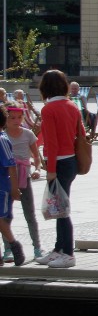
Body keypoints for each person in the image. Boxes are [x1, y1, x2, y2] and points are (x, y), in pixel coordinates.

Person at [33, 70, 85, 269]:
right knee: (59, 206)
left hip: (59, 162)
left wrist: (51, 169)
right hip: (70, 160)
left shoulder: (48, 109)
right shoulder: (72, 106)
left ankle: (68, 253)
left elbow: (51, 143)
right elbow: (80, 132)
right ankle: (58, 249)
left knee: (61, 209)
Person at [3, 106, 41, 260]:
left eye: (19, 117)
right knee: (5, 215)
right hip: (7, 178)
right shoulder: (3, 136)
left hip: (24, 176)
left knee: (30, 213)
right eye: (12, 118)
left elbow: (36, 156)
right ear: (5, 119)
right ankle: (8, 249)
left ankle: (37, 247)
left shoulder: (28, 134)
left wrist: (37, 169)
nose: (16, 121)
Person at [0, 106, 23, 266]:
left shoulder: (2, 139)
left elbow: (11, 165)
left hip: (2, 187)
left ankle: (14, 245)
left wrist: (14, 188)